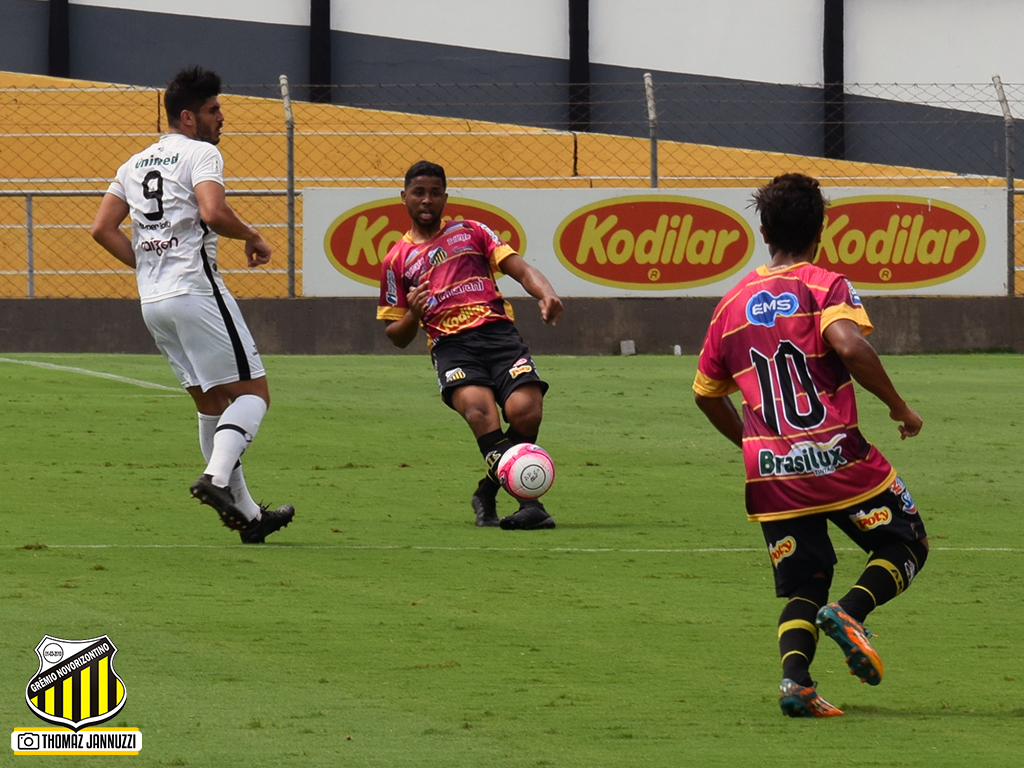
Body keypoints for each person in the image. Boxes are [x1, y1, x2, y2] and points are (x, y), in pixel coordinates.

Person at [692, 173, 929, 718]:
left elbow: (705, 394)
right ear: (820, 230)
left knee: (806, 579)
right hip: (837, 460)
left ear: (763, 229)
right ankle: (851, 610)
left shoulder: (729, 306)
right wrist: (899, 407)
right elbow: (848, 345)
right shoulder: (825, 285)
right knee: (906, 545)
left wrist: (752, 443)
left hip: (770, 473)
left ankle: (795, 684)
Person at [90, 66, 294, 544]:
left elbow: (102, 229)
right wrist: (253, 236)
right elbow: (213, 212)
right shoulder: (201, 153)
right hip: (196, 292)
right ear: (188, 116)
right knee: (252, 396)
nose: (221, 118)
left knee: (209, 405)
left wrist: (144, 266)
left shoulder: (133, 164)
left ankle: (247, 516)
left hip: (154, 301)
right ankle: (216, 479)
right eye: (213, 110)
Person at [378, 160, 563, 530]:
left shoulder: (473, 231)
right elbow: (394, 336)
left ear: (446, 196)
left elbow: (521, 269)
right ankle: (530, 502)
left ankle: (486, 492)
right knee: (481, 413)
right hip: (451, 346)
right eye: (418, 193)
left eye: (434, 192)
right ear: (404, 198)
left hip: (499, 335)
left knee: (527, 411)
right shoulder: (395, 260)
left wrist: (547, 293)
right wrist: (413, 315)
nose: (426, 200)